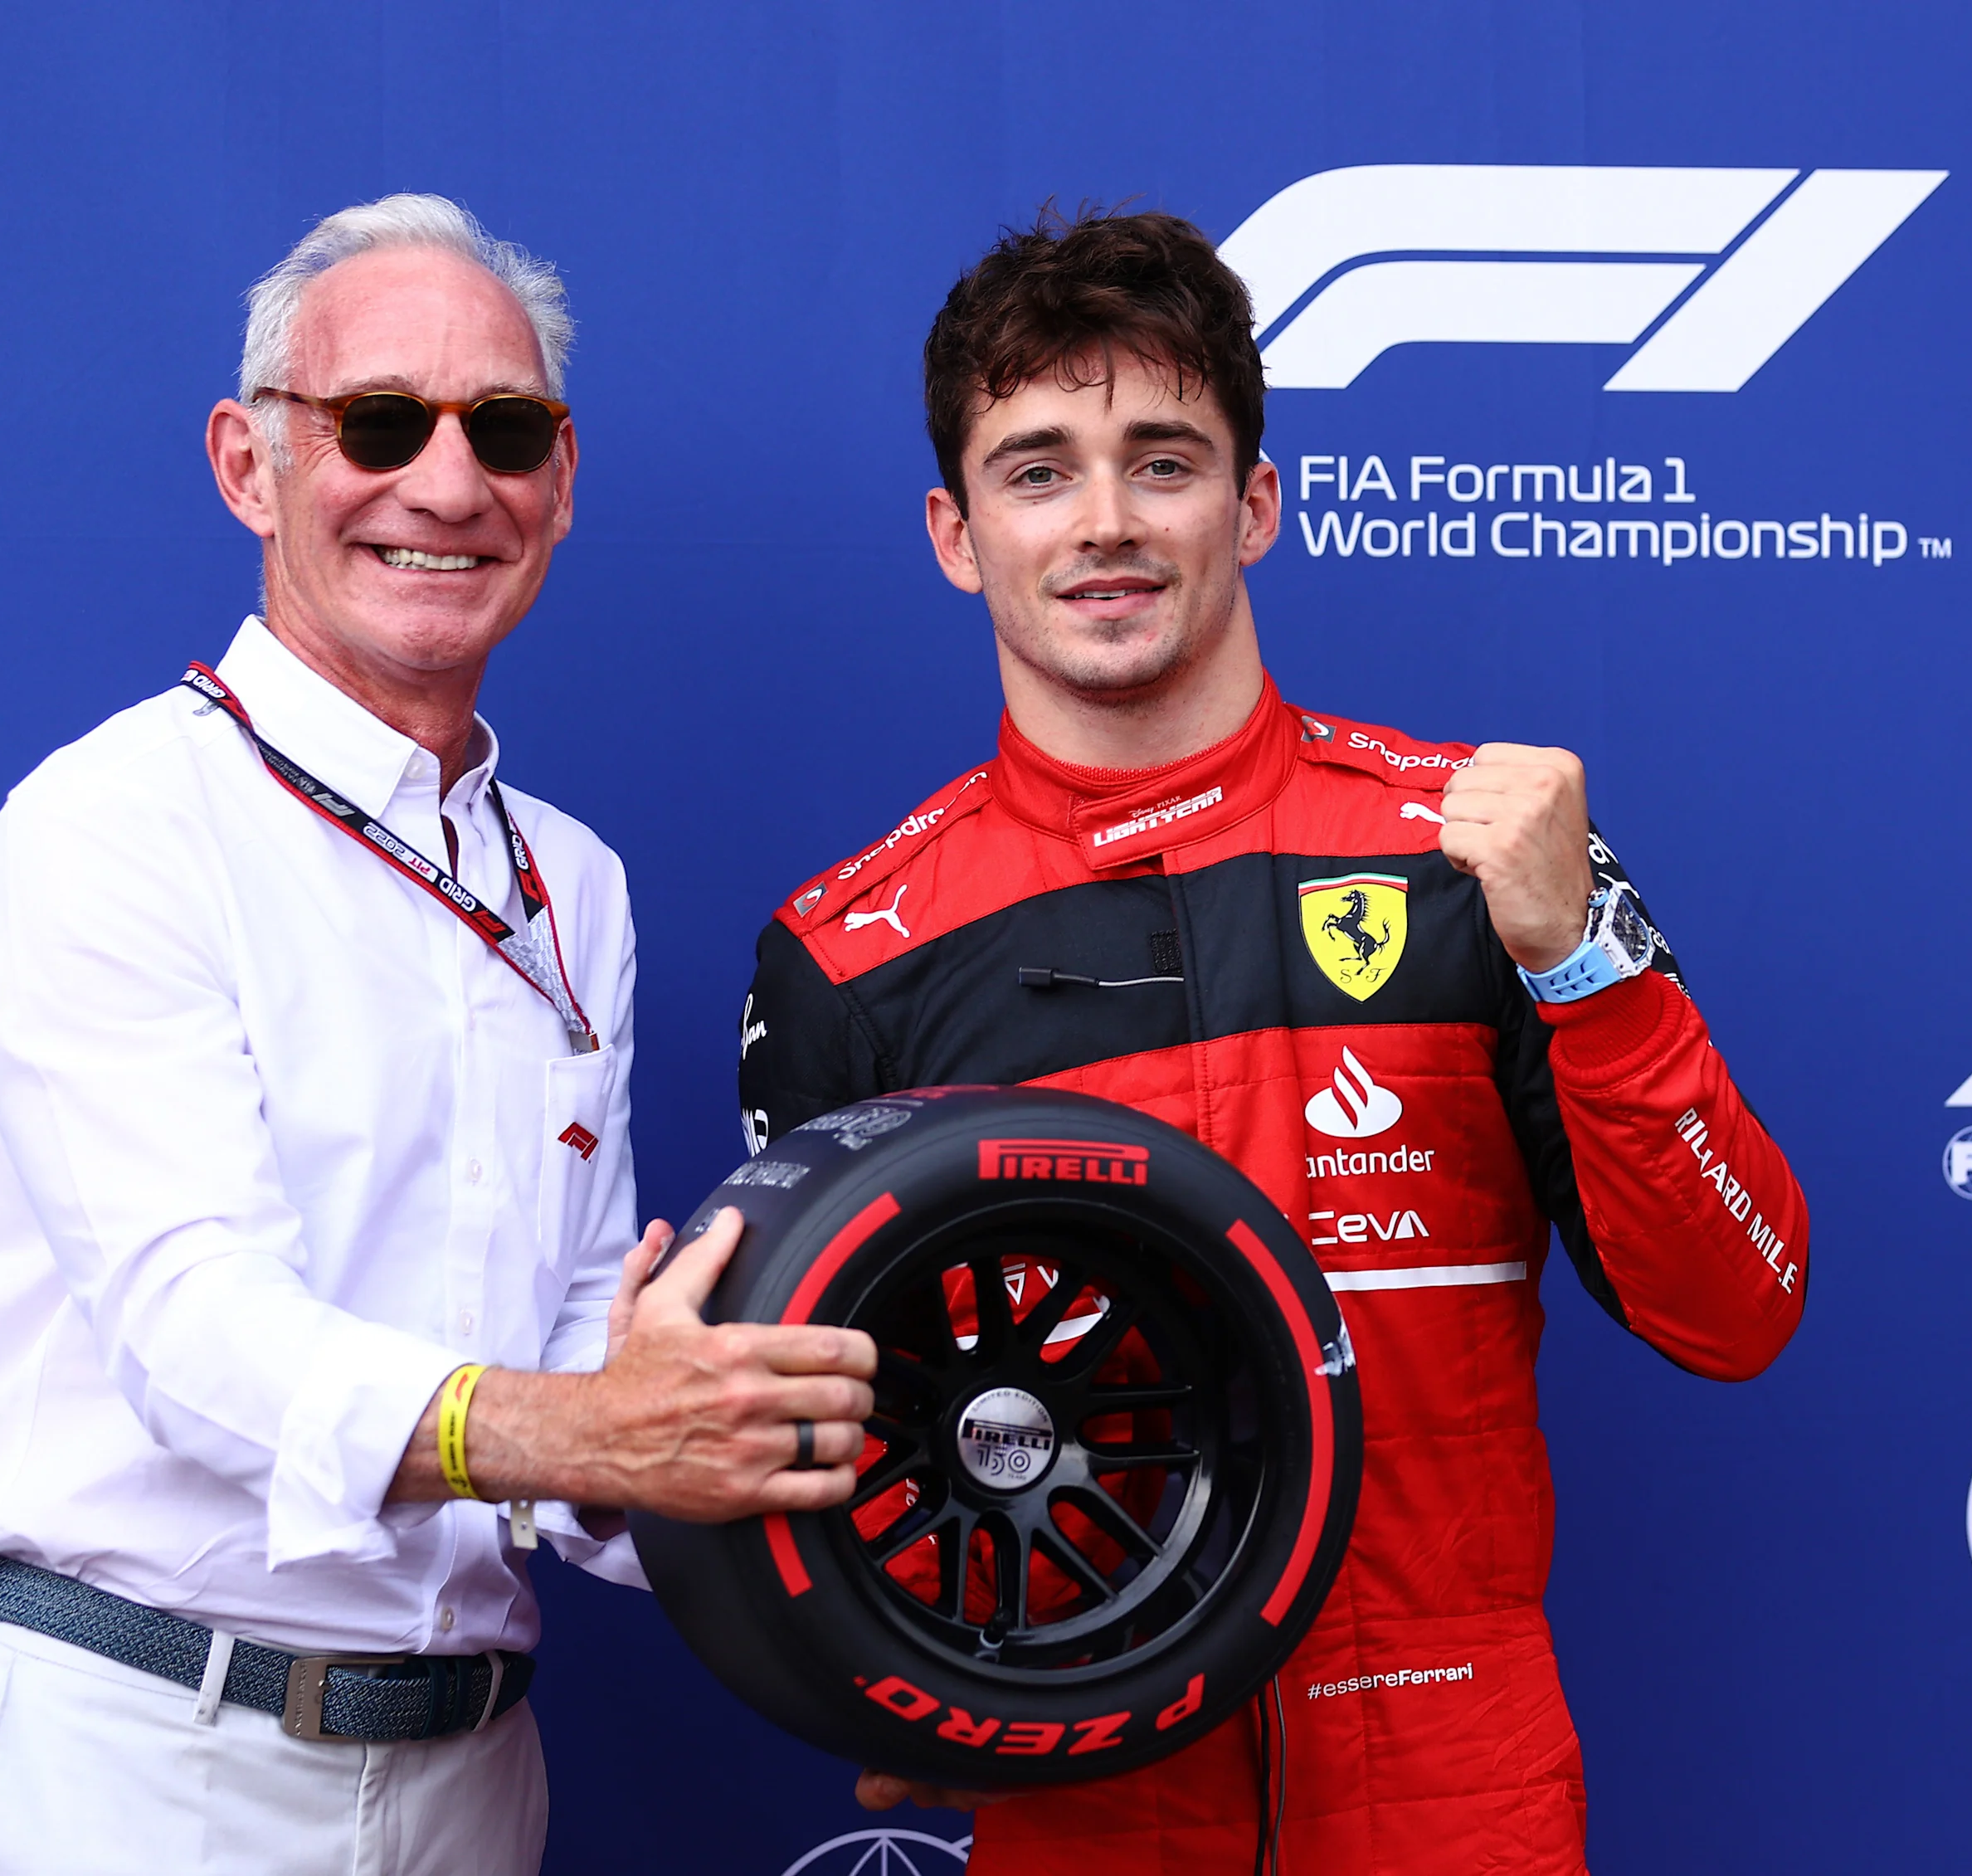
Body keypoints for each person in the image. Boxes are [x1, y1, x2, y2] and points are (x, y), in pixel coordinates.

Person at [736, 209, 1809, 1874]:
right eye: (1037, 470)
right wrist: (905, 1676)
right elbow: (823, 1436)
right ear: (957, 532)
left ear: (1254, 505)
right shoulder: (851, 956)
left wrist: (1586, 962)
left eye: (1161, 463)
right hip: (1088, 1813)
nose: (1104, 521)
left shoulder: (1480, 857)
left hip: (1457, 1804)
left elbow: (1738, 1306)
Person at [0, 194, 875, 1876]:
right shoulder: (109, 828)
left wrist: (756, 1464)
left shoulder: (571, 880)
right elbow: (196, 1330)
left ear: (561, 476)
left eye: (506, 429)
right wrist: (591, 1429)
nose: (448, 482)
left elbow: (575, 1338)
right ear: (248, 463)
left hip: (471, 1772)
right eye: (378, 421)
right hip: (134, 1762)